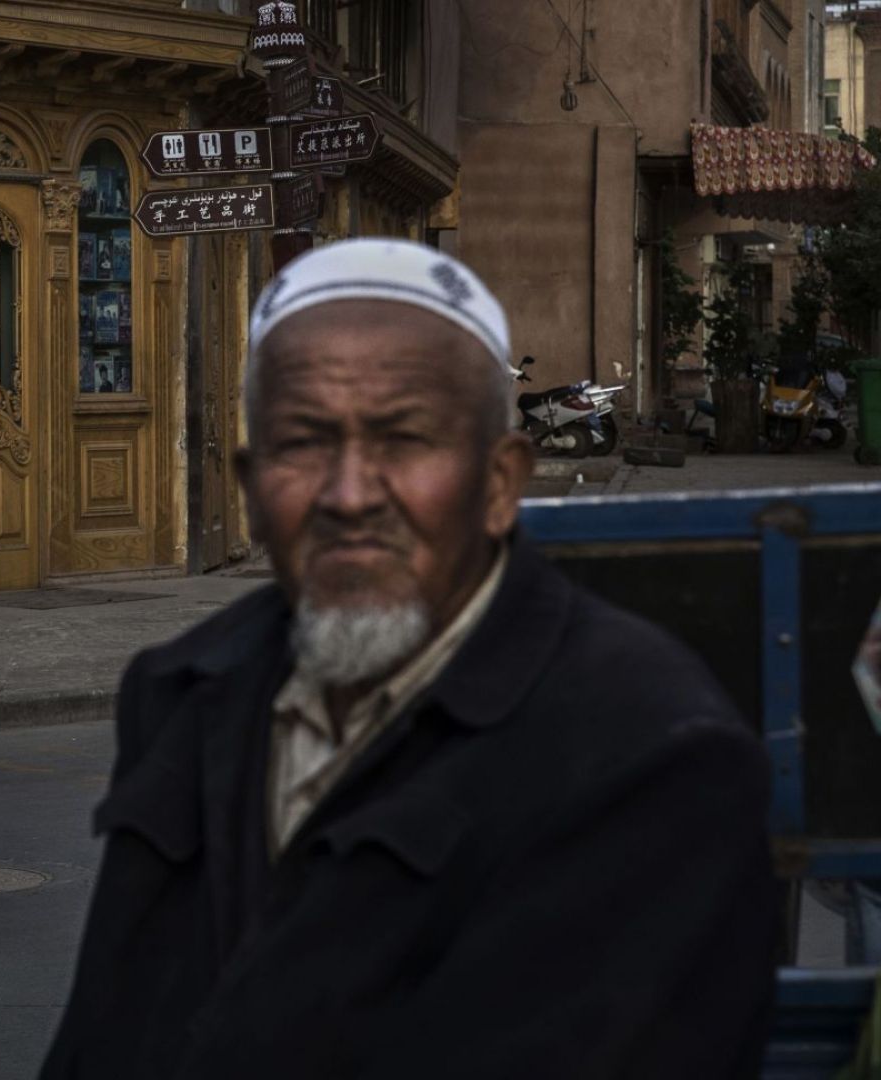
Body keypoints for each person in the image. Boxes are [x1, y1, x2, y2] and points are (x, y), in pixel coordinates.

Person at [40, 239, 777, 1077]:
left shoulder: (651, 749)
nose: (349, 495)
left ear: (500, 484)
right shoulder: (186, 688)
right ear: (250, 486)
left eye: (405, 441)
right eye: (303, 444)